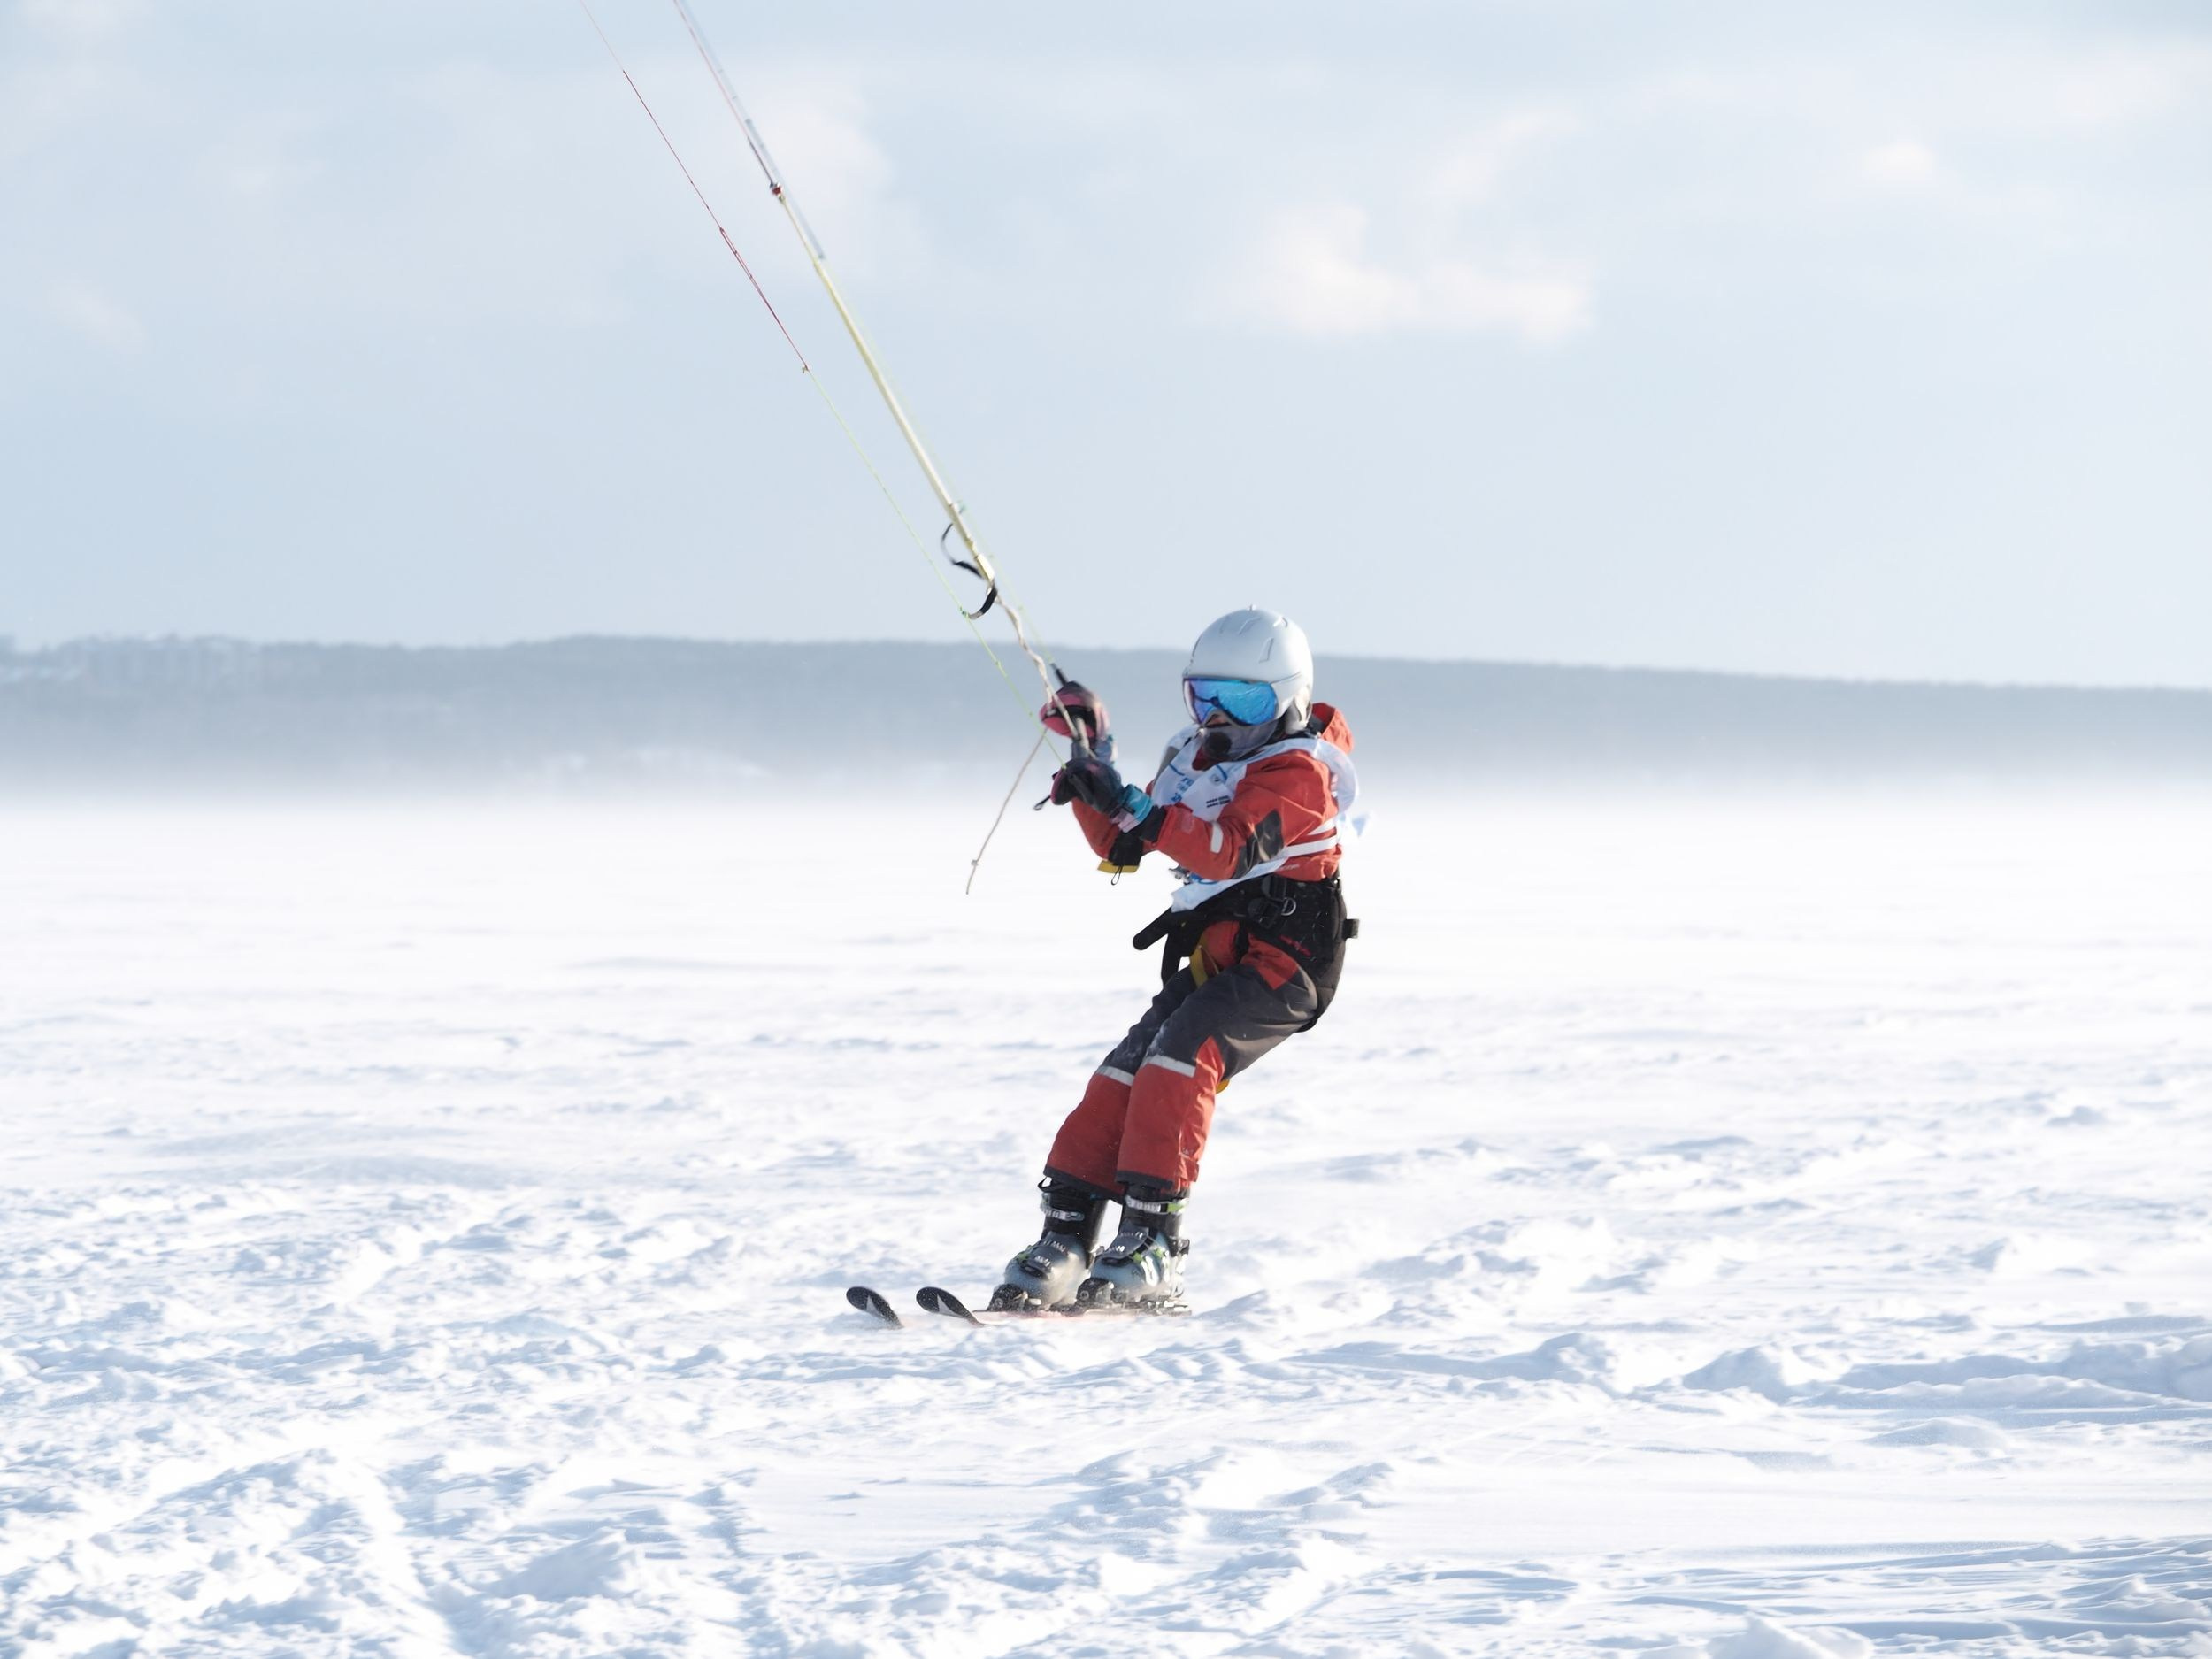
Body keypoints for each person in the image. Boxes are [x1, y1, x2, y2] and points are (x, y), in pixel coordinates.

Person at [994, 608, 1359, 1312]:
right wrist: (1090, 762)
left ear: (1288, 700)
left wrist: (1134, 805)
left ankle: (1154, 1242)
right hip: (1218, 958)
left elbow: (1225, 847)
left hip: (1290, 964)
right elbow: (1122, 847)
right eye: (1204, 697)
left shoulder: (1304, 773)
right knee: (1122, 1074)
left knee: (1181, 1059)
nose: (1219, 717)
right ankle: (1066, 1238)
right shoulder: (1194, 757)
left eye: (1244, 701)